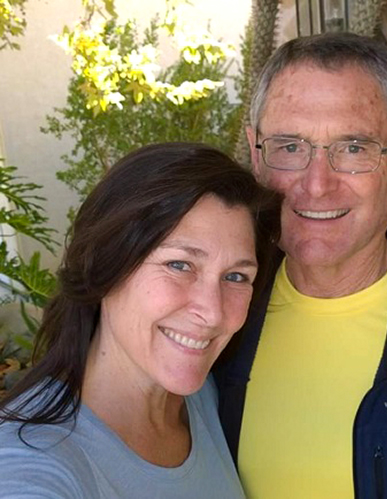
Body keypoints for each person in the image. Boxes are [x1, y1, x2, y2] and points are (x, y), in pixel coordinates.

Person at [214, 32, 387, 498]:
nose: (318, 185)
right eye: (289, 147)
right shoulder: (211, 323)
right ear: (256, 156)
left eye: (352, 148)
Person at [0, 142, 281, 498]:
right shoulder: (32, 460)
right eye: (179, 265)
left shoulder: (201, 399)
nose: (213, 312)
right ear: (105, 266)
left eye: (237, 277)